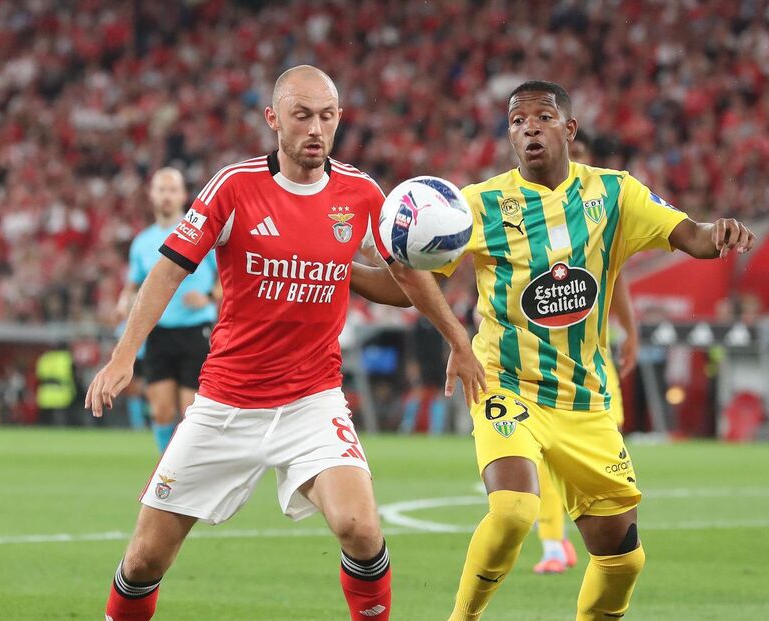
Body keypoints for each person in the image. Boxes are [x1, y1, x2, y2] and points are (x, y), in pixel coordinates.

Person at [86, 65, 484, 621]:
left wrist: (457, 339)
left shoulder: (361, 194)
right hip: (226, 402)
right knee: (146, 558)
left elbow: (404, 283)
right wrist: (123, 353)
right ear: (274, 119)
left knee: (360, 528)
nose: (315, 128)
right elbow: (169, 271)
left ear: (339, 118)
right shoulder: (234, 185)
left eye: (327, 116)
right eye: (302, 116)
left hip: (312, 403)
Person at [433, 81, 755, 620]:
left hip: (585, 401)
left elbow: (691, 237)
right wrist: (342, 268)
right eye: (516, 121)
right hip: (507, 385)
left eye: (542, 117)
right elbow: (410, 281)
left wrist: (718, 232)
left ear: (570, 128)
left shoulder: (614, 193)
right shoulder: (479, 204)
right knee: (513, 510)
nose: (528, 128)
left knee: (622, 560)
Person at [532, 131, 640, 575]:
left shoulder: (601, 207)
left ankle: (588, 540)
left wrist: (631, 331)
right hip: (536, 364)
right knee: (544, 455)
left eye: (578, 155)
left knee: (586, 454)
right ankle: (554, 543)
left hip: (591, 362)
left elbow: (614, 276)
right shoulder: (527, 210)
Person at [115, 167, 220, 451]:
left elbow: (227, 280)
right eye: (161, 189)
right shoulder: (142, 242)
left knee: (190, 414)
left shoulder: (200, 234)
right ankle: (166, 470)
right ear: (152, 195)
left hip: (195, 330)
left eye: (172, 190)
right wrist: (124, 301)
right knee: (161, 411)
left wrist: (209, 296)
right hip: (158, 331)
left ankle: (187, 472)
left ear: (183, 195)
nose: (166, 196)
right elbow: (134, 284)